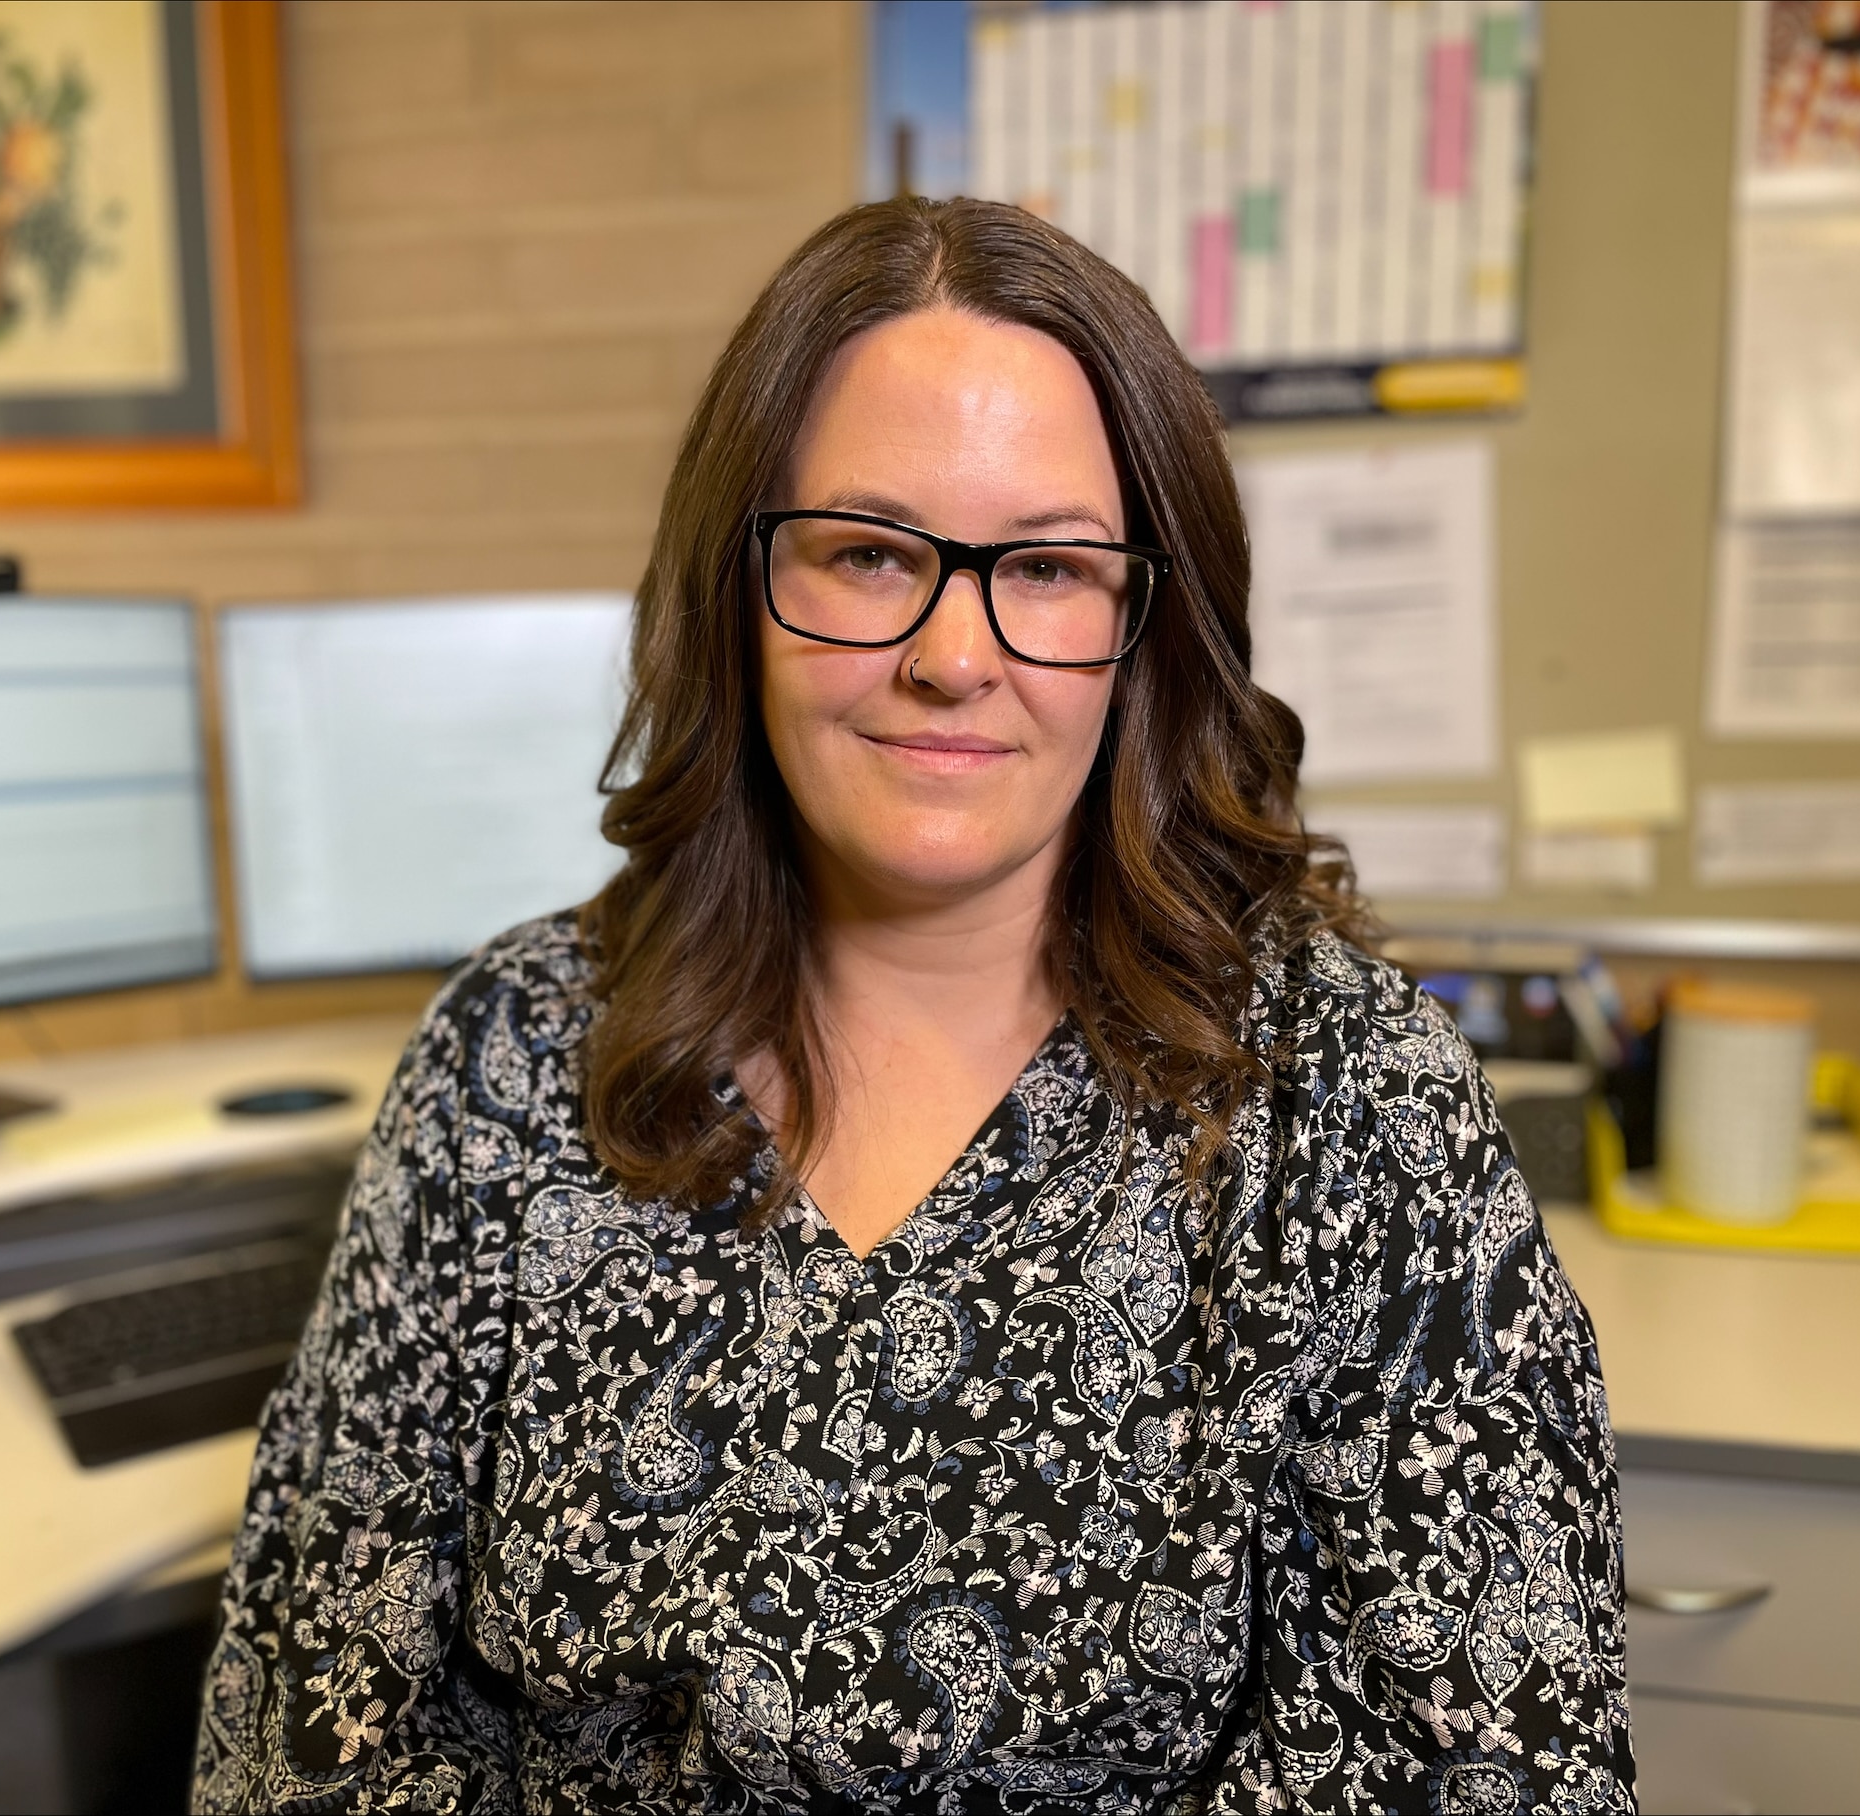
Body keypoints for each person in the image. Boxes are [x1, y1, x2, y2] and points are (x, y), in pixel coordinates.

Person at [192, 198, 1634, 1815]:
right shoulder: (511, 1056)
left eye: (1047, 566)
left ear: (1142, 631)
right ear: (740, 588)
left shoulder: (1354, 1108)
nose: (956, 654)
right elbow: (312, 1714)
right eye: (870, 553)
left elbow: (1487, 1770)